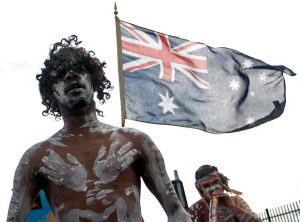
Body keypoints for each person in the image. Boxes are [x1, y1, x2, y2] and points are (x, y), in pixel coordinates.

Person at [7, 35, 192, 222]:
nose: (71, 76)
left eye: (79, 70)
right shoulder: (37, 158)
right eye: (61, 74)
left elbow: (177, 212)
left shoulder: (135, 141)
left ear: (93, 81)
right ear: (51, 92)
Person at [188, 165, 262, 222]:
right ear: (200, 189)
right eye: (206, 186)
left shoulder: (236, 201)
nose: (213, 188)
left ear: (222, 182)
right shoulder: (196, 209)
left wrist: (232, 206)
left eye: (215, 182)